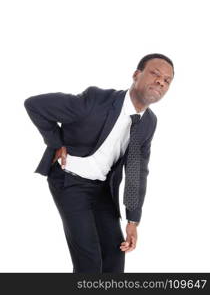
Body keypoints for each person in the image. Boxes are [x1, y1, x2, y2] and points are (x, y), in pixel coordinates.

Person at [24, 53, 174, 273]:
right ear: (136, 75)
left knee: (115, 255)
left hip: (102, 189)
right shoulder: (96, 101)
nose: (161, 81)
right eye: (155, 74)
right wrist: (56, 142)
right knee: (89, 261)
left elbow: (137, 171)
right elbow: (35, 105)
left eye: (167, 80)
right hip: (70, 182)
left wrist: (133, 220)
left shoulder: (148, 122)